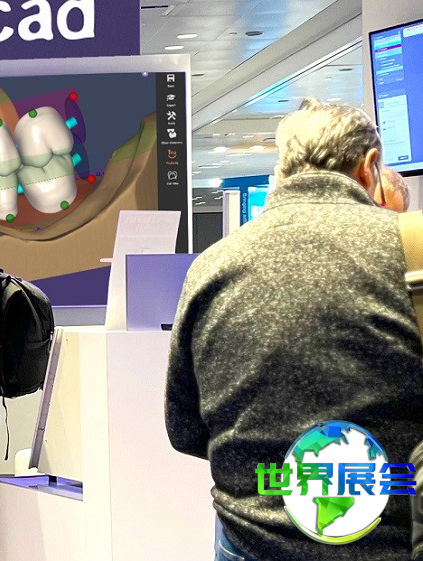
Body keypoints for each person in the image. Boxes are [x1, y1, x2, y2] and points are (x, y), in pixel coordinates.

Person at [165, 98, 423, 561]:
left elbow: (184, 428)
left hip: (249, 537)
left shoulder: (213, 265)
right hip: (392, 540)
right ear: (369, 167)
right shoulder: (414, 251)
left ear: (281, 169)